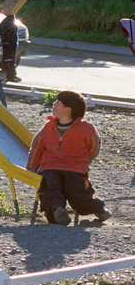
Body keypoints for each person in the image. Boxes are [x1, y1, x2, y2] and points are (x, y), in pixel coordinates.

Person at [27, 90, 112, 225]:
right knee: (50, 188)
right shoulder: (48, 127)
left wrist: (84, 161)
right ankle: (57, 211)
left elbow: (94, 146)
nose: (53, 104)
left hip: (75, 169)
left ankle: (98, 209)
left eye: (58, 102)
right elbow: (37, 147)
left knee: (78, 193)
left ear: (67, 110)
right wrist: (32, 167)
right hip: (50, 167)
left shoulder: (86, 128)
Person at [0, 13, 19, 82]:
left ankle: (10, 77)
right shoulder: (14, 25)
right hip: (13, 45)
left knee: (7, 61)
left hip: (7, 45)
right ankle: (12, 76)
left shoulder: (5, 23)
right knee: (11, 61)